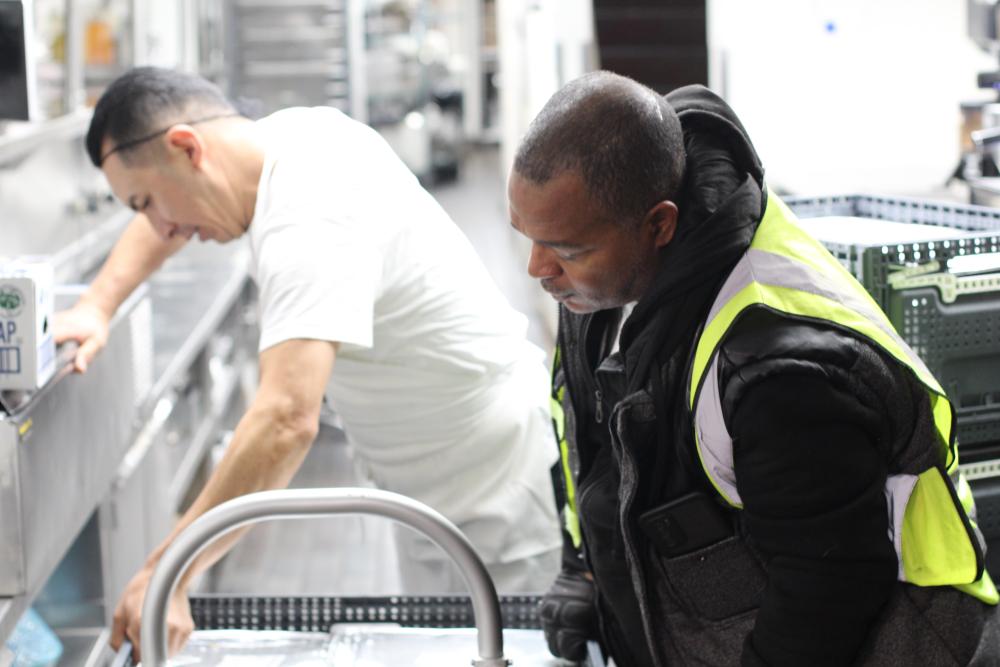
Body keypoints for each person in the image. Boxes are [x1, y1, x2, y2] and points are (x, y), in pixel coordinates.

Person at [57, 67, 561, 660]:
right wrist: (95, 305)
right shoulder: (280, 143)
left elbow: (286, 419)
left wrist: (170, 569)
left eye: (145, 203)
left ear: (188, 146)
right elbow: (168, 215)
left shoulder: (309, 211)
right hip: (434, 496)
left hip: (504, 494)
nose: (162, 228)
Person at [508, 71, 1000, 666]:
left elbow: (826, 592)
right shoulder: (599, 270)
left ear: (659, 225)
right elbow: (587, 442)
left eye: (565, 249)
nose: (539, 267)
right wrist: (583, 570)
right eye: (529, 237)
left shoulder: (776, 370)